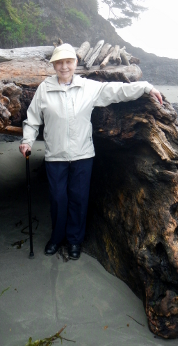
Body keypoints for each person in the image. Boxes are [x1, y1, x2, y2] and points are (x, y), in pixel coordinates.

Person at [19, 43, 162, 260]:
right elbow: (32, 119)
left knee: (78, 199)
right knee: (58, 199)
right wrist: (27, 141)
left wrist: (145, 87)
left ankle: (75, 240)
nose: (64, 67)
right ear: (54, 65)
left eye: (68, 62)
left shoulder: (88, 87)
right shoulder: (44, 89)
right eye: (60, 63)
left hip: (82, 155)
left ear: (75, 64)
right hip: (55, 156)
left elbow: (117, 91)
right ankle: (57, 238)